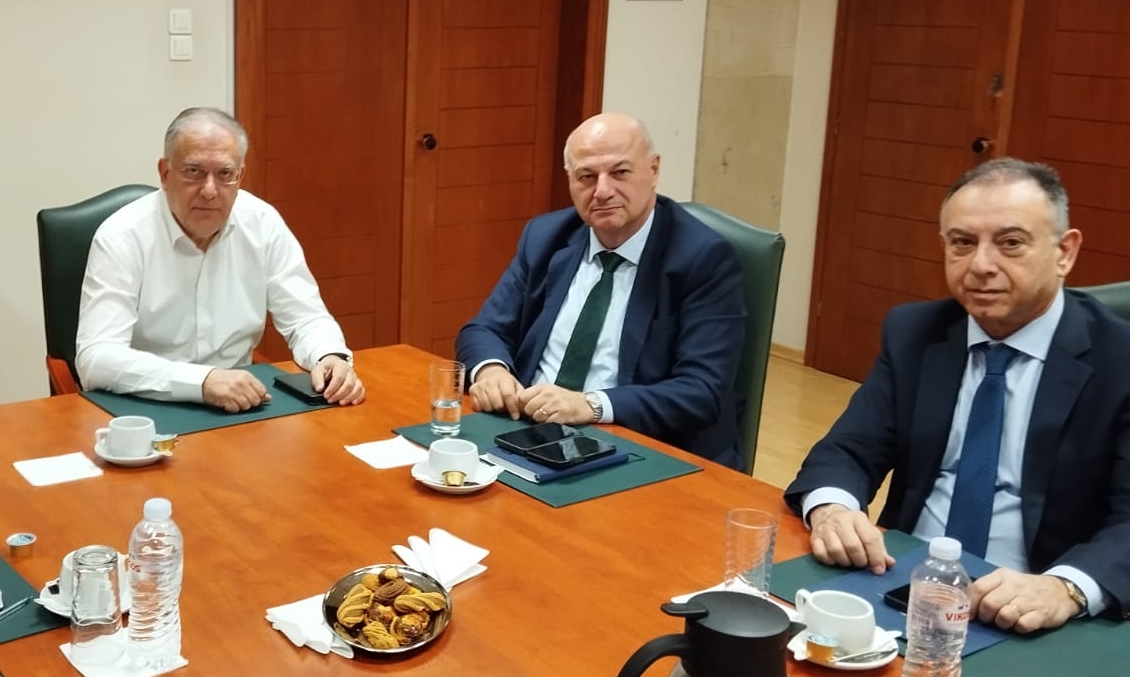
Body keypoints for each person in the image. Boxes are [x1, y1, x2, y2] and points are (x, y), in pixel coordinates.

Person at [785, 157, 1130, 633]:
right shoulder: (915, 333)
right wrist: (832, 508)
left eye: (1010, 243)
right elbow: (847, 450)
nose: (981, 266)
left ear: (1064, 253)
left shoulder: (1119, 359)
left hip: (1034, 607)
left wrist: (1065, 588)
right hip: (902, 582)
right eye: (963, 243)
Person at [454, 112, 747, 468]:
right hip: (531, 431)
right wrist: (491, 371)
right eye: (587, 177)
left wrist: (590, 405)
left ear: (653, 170)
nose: (603, 191)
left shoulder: (702, 257)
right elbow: (483, 329)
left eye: (620, 172)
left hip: (638, 446)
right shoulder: (547, 237)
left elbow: (702, 390)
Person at [75, 107, 364, 412]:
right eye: (193, 171)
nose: (210, 191)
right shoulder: (122, 236)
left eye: (225, 174)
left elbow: (305, 317)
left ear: (240, 177)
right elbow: (96, 357)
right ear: (165, 173)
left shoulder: (262, 223)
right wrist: (202, 382)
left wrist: (329, 355)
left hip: (241, 403)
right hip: (141, 404)